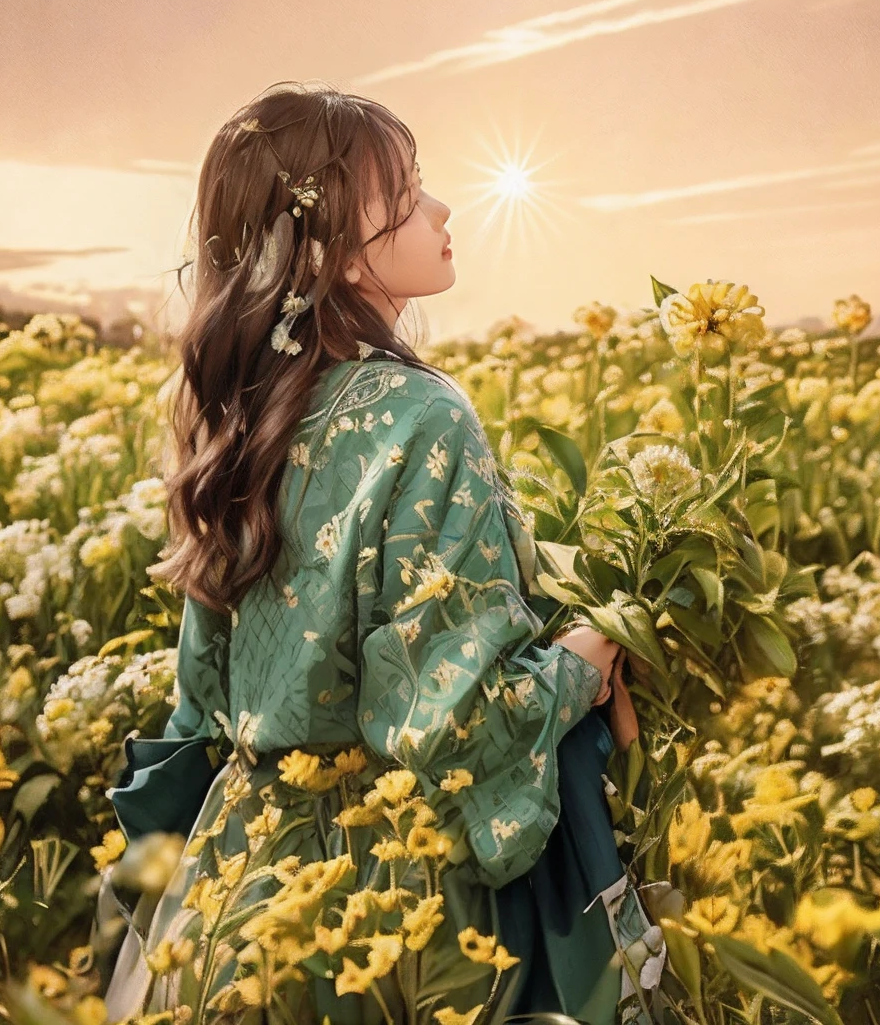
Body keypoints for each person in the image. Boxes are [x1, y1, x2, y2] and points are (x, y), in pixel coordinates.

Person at [92, 82, 648, 1024]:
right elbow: (450, 715)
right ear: (338, 253)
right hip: (393, 891)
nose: (442, 209)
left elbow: (202, 697)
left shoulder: (236, 415)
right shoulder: (425, 414)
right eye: (409, 193)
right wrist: (577, 668)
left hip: (236, 880)